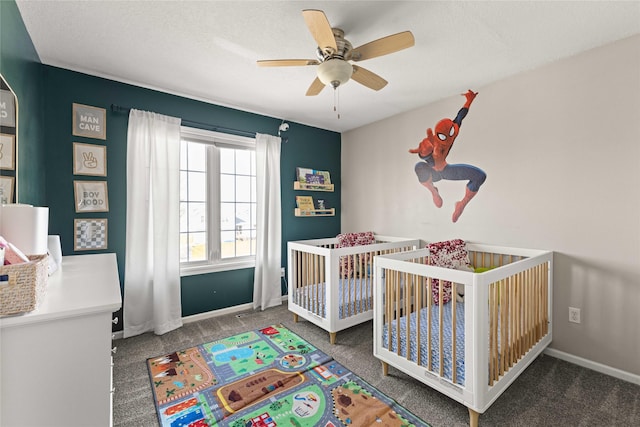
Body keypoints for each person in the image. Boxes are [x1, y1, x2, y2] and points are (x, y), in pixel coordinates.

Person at [409, 89, 486, 222]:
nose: (445, 139)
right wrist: (424, 152)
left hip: (446, 171)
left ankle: (462, 204)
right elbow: (425, 154)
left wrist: (469, 100)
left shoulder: (453, 131)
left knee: (480, 176)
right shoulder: (431, 142)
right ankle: (433, 190)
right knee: (419, 166)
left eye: (448, 135)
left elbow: (460, 116)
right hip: (431, 174)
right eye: (441, 136)